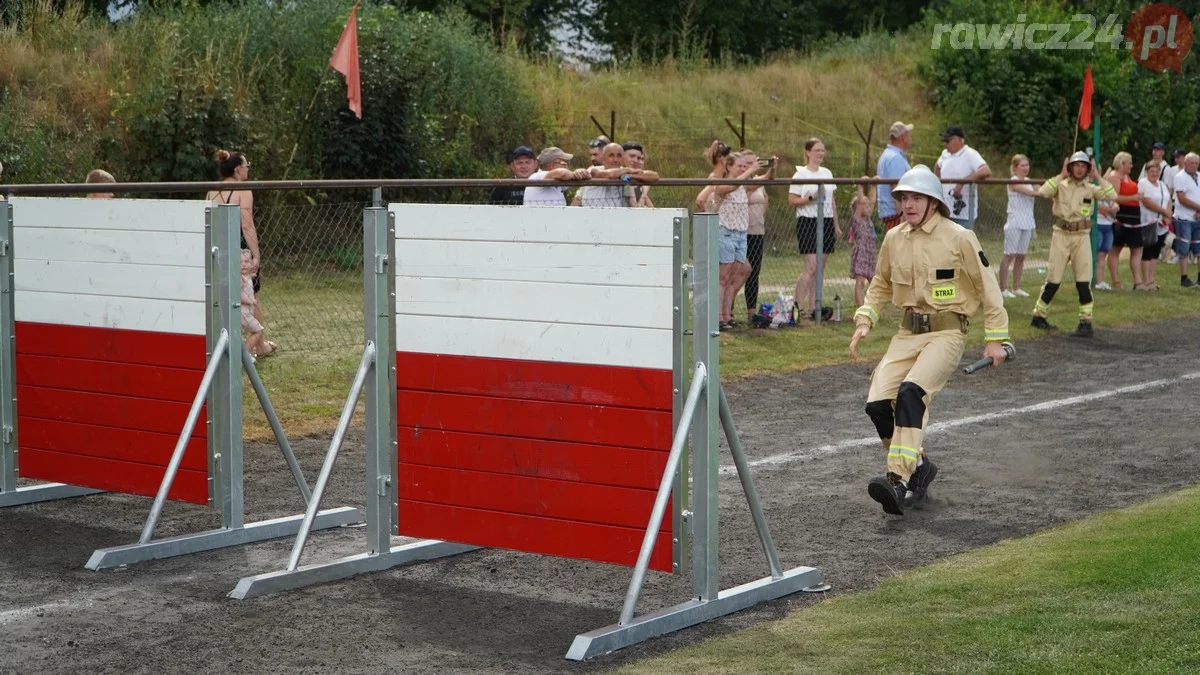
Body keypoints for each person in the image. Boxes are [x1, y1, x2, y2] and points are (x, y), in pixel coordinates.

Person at [849, 164, 1009, 515]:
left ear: (933, 202)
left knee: (911, 392)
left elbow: (989, 288)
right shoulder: (894, 239)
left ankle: (898, 478)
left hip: (947, 333)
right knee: (877, 404)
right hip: (907, 334)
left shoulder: (959, 237)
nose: (908, 204)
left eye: (916, 197)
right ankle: (920, 467)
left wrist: (996, 338)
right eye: (904, 197)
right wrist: (865, 319)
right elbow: (881, 284)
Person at [1031, 152, 1118, 338]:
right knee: (1054, 278)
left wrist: (1098, 177)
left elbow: (1113, 195)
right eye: (1076, 165)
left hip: (1081, 236)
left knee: (1083, 280)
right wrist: (1061, 175)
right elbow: (1043, 192)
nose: (1079, 168)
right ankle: (1039, 315)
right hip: (1061, 234)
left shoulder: (1091, 188)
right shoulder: (1060, 185)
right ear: (1070, 167)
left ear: (1088, 169)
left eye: (1083, 166)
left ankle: (1086, 322)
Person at [207, 149, 276, 358]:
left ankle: (229, 342)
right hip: (241, 250)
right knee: (251, 295)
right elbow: (247, 225)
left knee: (223, 296)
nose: (248, 170)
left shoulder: (212, 192)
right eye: (247, 166)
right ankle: (258, 345)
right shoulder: (243, 191)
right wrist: (257, 255)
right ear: (238, 169)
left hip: (219, 249)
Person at [788, 138, 840, 321]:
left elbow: (831, 200)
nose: (820, 154)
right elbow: (793, 200)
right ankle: (798, 305)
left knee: (820, 268)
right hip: (808, 220)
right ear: (808, 152)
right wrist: (811, 198)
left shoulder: (827, 173)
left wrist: (835, 225)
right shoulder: (800, 175)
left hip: (825, 220)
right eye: (817, 150)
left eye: (822, 150)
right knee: (811, 266)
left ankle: (814, 306)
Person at [934, 126, 991, 229]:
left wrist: (962, 182)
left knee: (962, 243)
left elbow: (985, 170)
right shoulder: (945, 154)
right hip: (945, 211)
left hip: (964, 214)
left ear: (959, 140)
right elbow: (938, 166)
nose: (945, 144)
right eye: (944, 141)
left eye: (948, 140)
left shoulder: (970, 154)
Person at [999, 155, 1039, 298]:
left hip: (1028, 222)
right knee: (1009, 255)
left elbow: (1040, 190)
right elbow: (1029, 192)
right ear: (1015, 167)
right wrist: (1037, 192)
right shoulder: (1013, 181)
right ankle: (1003, 289)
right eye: (1022, 165)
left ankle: (1016, 287)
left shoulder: (1030, 181)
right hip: (1015, 221)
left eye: (1027, 165)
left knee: (1021, 256)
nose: (1025, 168)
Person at [1108, 152, 1146, 289]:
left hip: (1134, 215)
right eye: (1129, 163)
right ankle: (1116, 281)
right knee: (1116, 248)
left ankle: (1138, 281)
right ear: (1122, 163)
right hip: (1122, 215)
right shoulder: (1114, 176)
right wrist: (1132, 198)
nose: (1131, 165)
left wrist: (1137, 197)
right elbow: (1114, 197)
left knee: (1137, 247)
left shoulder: (1126, 176)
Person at [744, 153, 773, 320]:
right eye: (747, 163)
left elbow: (765, 197)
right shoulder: (740, 181)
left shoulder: (759, 181)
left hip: (757, 231)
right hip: (742, 232)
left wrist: (772, 168)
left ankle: (751, 311)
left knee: (754, 272)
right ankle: (727, 311)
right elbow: (743, 195)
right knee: (738, 273)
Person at [1138, 162, 1173, 291]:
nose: (1155, 173)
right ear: (1147, 171)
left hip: (1161, 224)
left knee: (1156, 251)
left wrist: (1167, 215)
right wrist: (1164, 212)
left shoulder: (1162, 184)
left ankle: (1152, 279)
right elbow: (1147, 202)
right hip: (1148, 222)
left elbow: (1169, 200)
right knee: (1147, 251)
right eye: (1152, 171)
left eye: (1157, 171)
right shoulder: (1143, 183)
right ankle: (1145, 280)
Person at [847, 176, 878, 308]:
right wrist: (860, 185)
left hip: (870, 253)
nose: (868, 206)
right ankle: (862, 309)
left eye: (868, 205)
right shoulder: (857, 218)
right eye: (864, 204)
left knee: (874, 283)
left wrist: (874, 185)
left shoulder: (868, 219)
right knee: (860, 283)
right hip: (861, 253)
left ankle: (873, 306)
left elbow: (872, 202)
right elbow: (860, 202)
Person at [876, 121, 913, 231]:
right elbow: (897, 187)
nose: (910, 138)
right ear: (903, 137)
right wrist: (903, 213)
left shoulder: (887, 155)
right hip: (896, 214)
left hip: (890, 212)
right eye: (908, 135)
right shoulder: (896, 158)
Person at [522, 147, 590, 207]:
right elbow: (562, 173)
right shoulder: (537, 176)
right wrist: (574, 174)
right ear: (553, 166)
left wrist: (582, 173)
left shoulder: (557, 180)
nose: (567, 167)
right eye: (564, 164)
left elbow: (581, 180)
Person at [1171, 152, 1200, 287]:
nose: (1194, 165)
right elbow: (1181, 198)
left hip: (1197, 218)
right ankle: (1184, 277)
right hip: (1184, 218)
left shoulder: (1199, 176)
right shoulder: (1180, 177)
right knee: (1184, 248)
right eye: (1191, 163)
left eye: (1196, 163)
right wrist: (1198, 208)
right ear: (1186, 163)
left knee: (1198, 248)